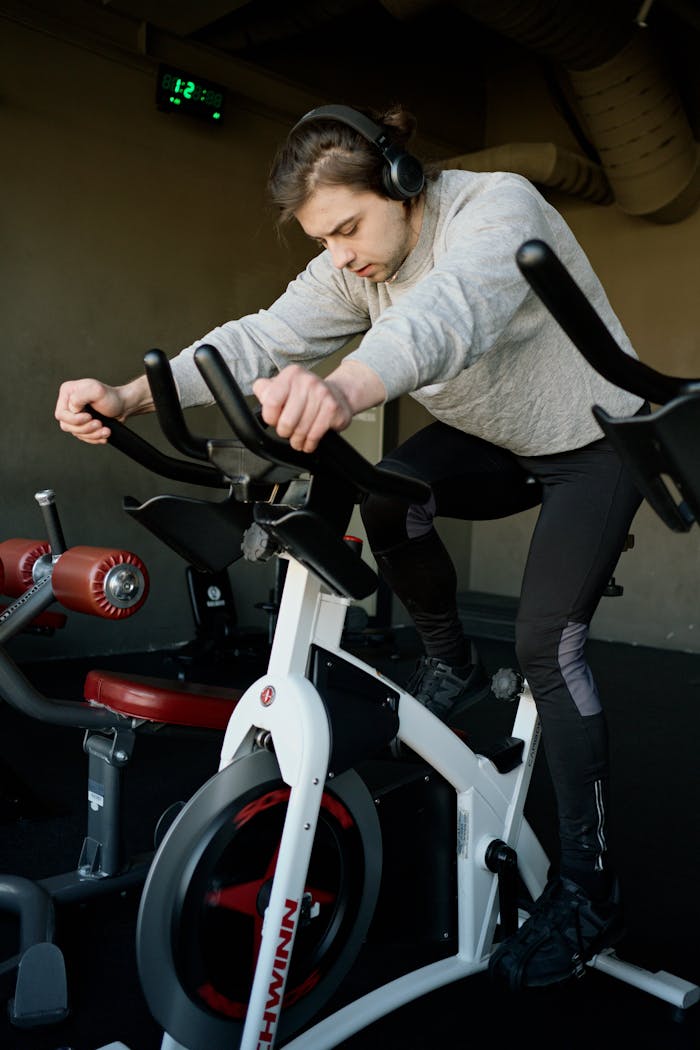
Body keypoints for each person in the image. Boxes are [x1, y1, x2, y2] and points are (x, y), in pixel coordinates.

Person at [54, 102, 645, 990]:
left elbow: (451, 314)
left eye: (347, 227)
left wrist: (347, 387)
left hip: (596, 439)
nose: (340, 252)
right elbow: (257, 336)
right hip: (495, 433)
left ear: (403, 184)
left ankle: (590, 888)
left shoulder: (498, 207)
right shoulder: (351, 267)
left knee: (546, 647)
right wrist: (127, 394)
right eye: (322, 238)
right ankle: (448, 662)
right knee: (388, 499)